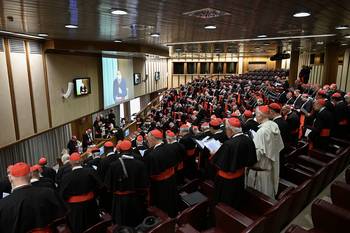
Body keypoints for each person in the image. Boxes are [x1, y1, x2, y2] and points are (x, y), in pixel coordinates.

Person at [0, 162, 66, 233]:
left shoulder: (2, 204)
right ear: (30, 175)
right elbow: (62, 225)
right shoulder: (49, 193)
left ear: (10, 179)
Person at [212, 118, 257, 208]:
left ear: (230, 130)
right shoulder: (248, 139)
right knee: (236, 199)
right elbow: (251, 160)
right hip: (240, 177)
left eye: (226, 129)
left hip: (226, 182)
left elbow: (219, 163)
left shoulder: (228, 144)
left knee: (224, 204)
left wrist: (214, 153)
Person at [105, 140, 149, 227]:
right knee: (136, 222)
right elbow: (145, 183)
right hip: (136, 199)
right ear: (131, 150)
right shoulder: (139, 164)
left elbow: (108, 185)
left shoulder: (113, 165)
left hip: (119, 201)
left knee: (121, 224)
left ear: (120, 151)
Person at [59, 153, 103, 233]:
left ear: (70, 162)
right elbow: (100, 186)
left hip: (75, 209)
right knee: (94, 227)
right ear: (81, 161)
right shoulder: (90, 171)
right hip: (91, 204)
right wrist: (94, 195)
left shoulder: (66, 177)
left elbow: (62, 195)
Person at [247, 105, 284, 198]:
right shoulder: (274, 125)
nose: (255, 116)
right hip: (270, 166)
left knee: (259, 197)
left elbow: (255, 156)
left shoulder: (262, 132)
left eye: (256, 114)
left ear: (260, 116)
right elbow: (279, 146)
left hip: (260, 171)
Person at [144, 129, 179, 217]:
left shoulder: (152, 155)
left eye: (148, 138)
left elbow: (149, 174)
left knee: (162, 206)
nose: (147, 140)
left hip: (160, 186)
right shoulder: (170, 147)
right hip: (172, 180)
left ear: (153, 138)